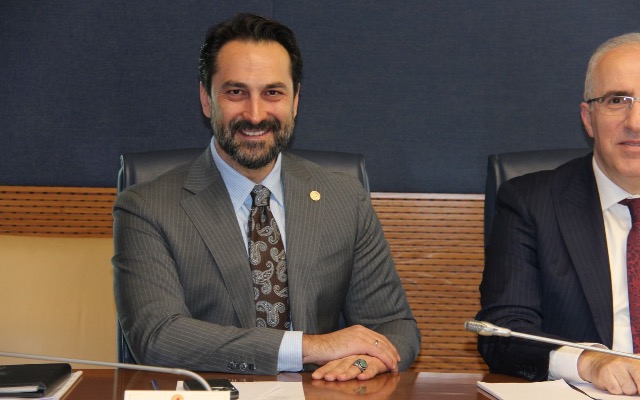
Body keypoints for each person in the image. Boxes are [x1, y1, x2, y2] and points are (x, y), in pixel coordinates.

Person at [112, 13, 420, 382]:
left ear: (295, 101)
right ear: (207, 100)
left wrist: (364, 362)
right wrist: (309, 347)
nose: (255, 115)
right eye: (236, 92)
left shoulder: (345, 199)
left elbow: (394, 327)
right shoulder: (146, 208)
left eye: (272, 93)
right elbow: (158, 337)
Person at [477, 32, 640, 395]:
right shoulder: (530, 203)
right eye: (617, 100)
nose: (636, 122)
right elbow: (503, 333)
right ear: (588, 118)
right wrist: (589, 362)